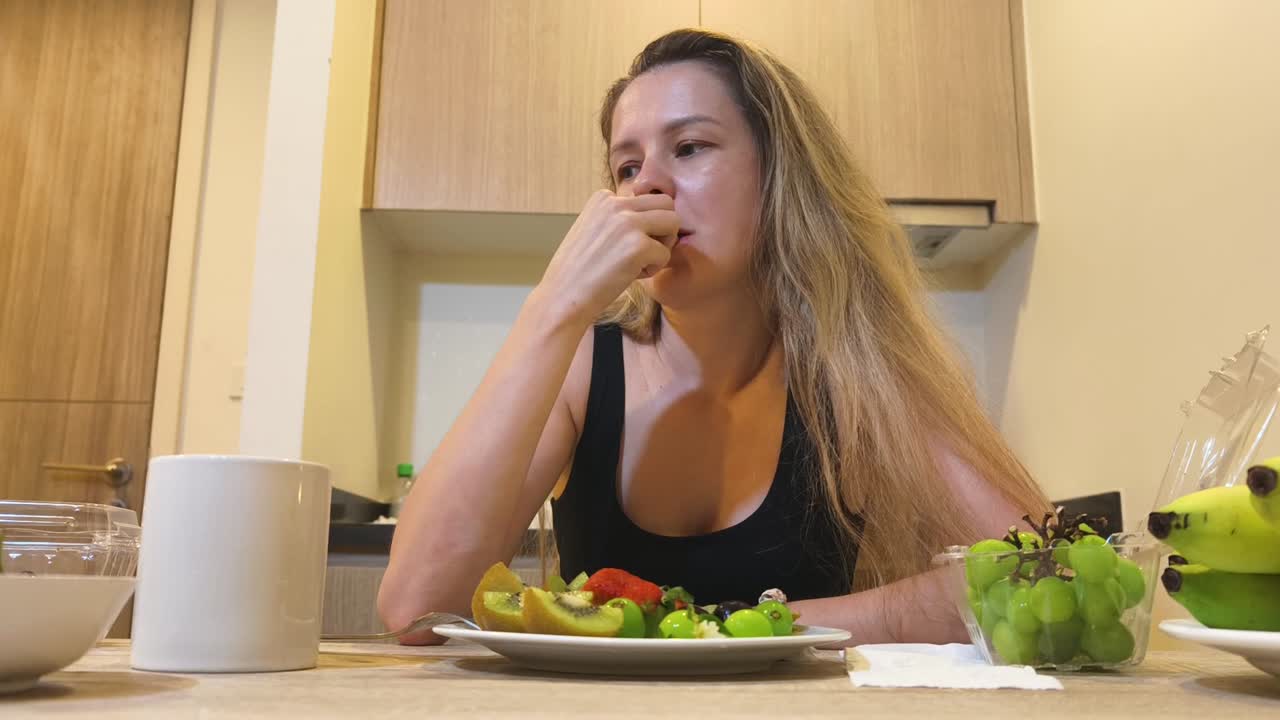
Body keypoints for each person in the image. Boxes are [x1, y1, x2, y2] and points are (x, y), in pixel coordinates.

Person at [379, 29, 1048, 645]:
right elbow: (417, 608)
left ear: (779, 174)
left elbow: (1040, 568)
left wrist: (733, 627)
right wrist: (554, 304)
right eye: (626, 167)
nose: (650, 187)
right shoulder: (583, 361)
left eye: (690, 148)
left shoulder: (850, 371)